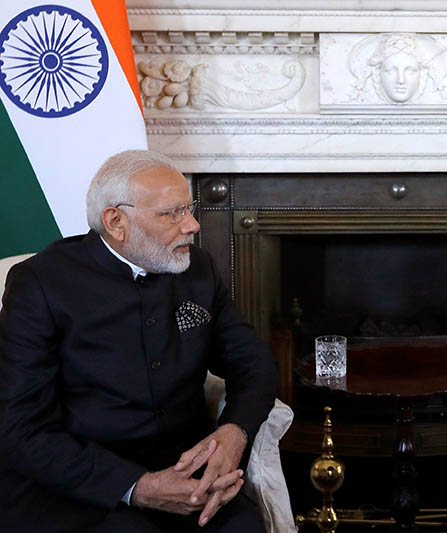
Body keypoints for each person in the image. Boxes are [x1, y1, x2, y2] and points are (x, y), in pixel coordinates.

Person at [0, 150, 278, 532]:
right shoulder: (40, 284)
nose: (193, 225)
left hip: (185, 475)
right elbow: (19, 428)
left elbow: (255, 365)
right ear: (116, 221)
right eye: (172, 213)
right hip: (81, 485)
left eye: (189, 208)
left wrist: (234, 433)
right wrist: (138, 487)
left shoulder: (197, 269)